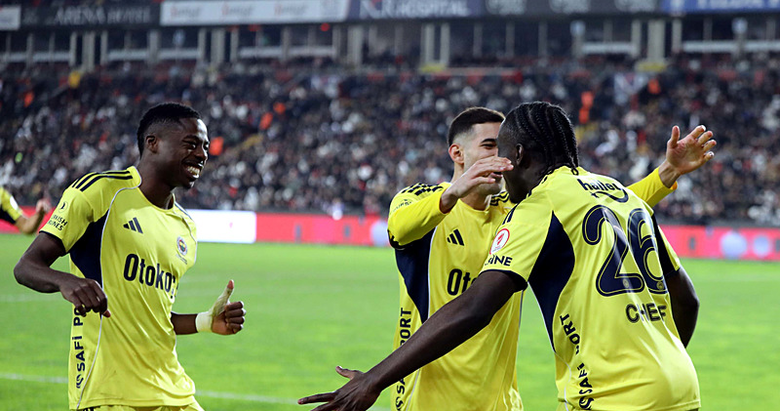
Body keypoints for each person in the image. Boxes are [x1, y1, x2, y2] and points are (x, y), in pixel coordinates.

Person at [300, 102, 707, 411]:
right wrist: (452, 194)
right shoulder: (422, 199)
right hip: (429, 396)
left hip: (504, 402)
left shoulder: (522, 211)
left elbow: (584, 213)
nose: (502, 159)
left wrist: (665, 176)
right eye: (490, 146)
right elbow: (399, 229)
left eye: (506, 147)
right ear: (457, 153)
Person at [14, 103, 246, 411]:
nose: (202, 154)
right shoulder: (101, 192)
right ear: (153, 143)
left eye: (205, 147)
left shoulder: (185, 228)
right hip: (109, 394)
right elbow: (26, 266)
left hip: (173, 390)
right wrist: (66, 282)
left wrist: (204, 321)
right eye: (191, 144)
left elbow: (155, 317)